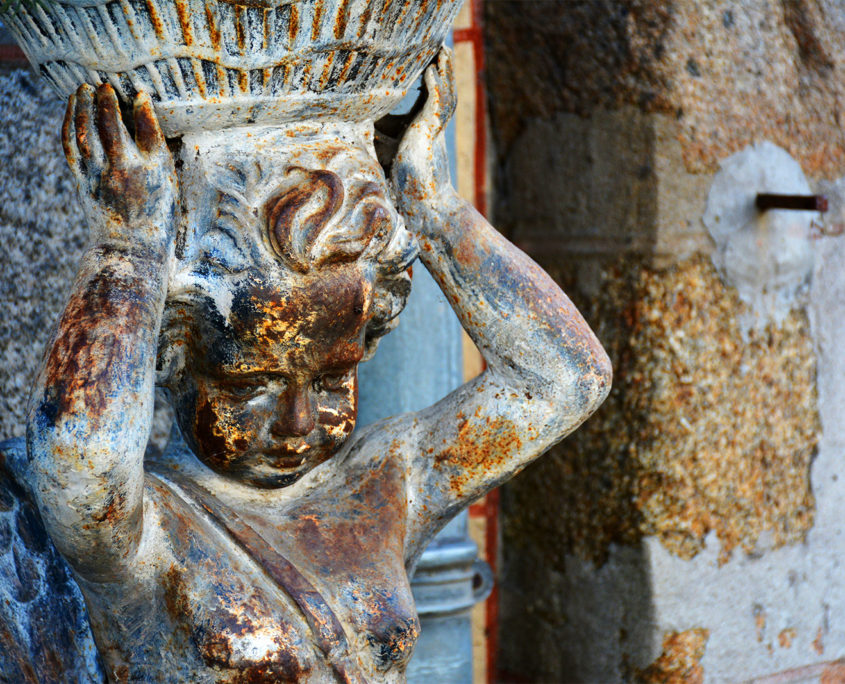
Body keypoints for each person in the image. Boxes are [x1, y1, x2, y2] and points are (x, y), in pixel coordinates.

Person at [21, 49, 611, 682]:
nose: (298, 423)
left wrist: (437, 213)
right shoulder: (147, 534)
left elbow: (566, 381)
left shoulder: (386, 489)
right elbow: (80, 460)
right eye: (251, 386)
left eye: (333, 381)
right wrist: (131, 246)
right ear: (169, 357)